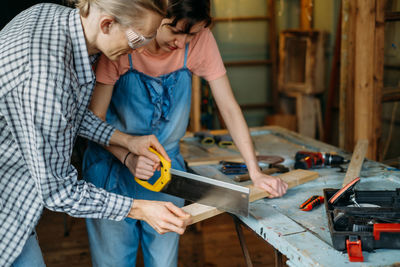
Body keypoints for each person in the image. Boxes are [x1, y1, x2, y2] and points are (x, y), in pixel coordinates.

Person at [83, 0, 289, 266]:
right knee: (114, 261)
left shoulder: (200, 40)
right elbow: (93, 121)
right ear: (155, 16)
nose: (181, 42)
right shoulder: (125, 42)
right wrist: (128, 157)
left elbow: (227, 106)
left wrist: (255, 171)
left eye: (191, 34)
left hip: (167, 173)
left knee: (164, 261)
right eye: (174, 30)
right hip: (112, 171)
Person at [0, 0, 192, 266]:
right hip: (6, 209)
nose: (143, 48)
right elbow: (58, 191)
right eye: (138, 39)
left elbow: (69, 116)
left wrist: (127, 141)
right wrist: (138, 208)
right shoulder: (44, 75)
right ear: (107, 24)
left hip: (16, 205)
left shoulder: (55, 20)